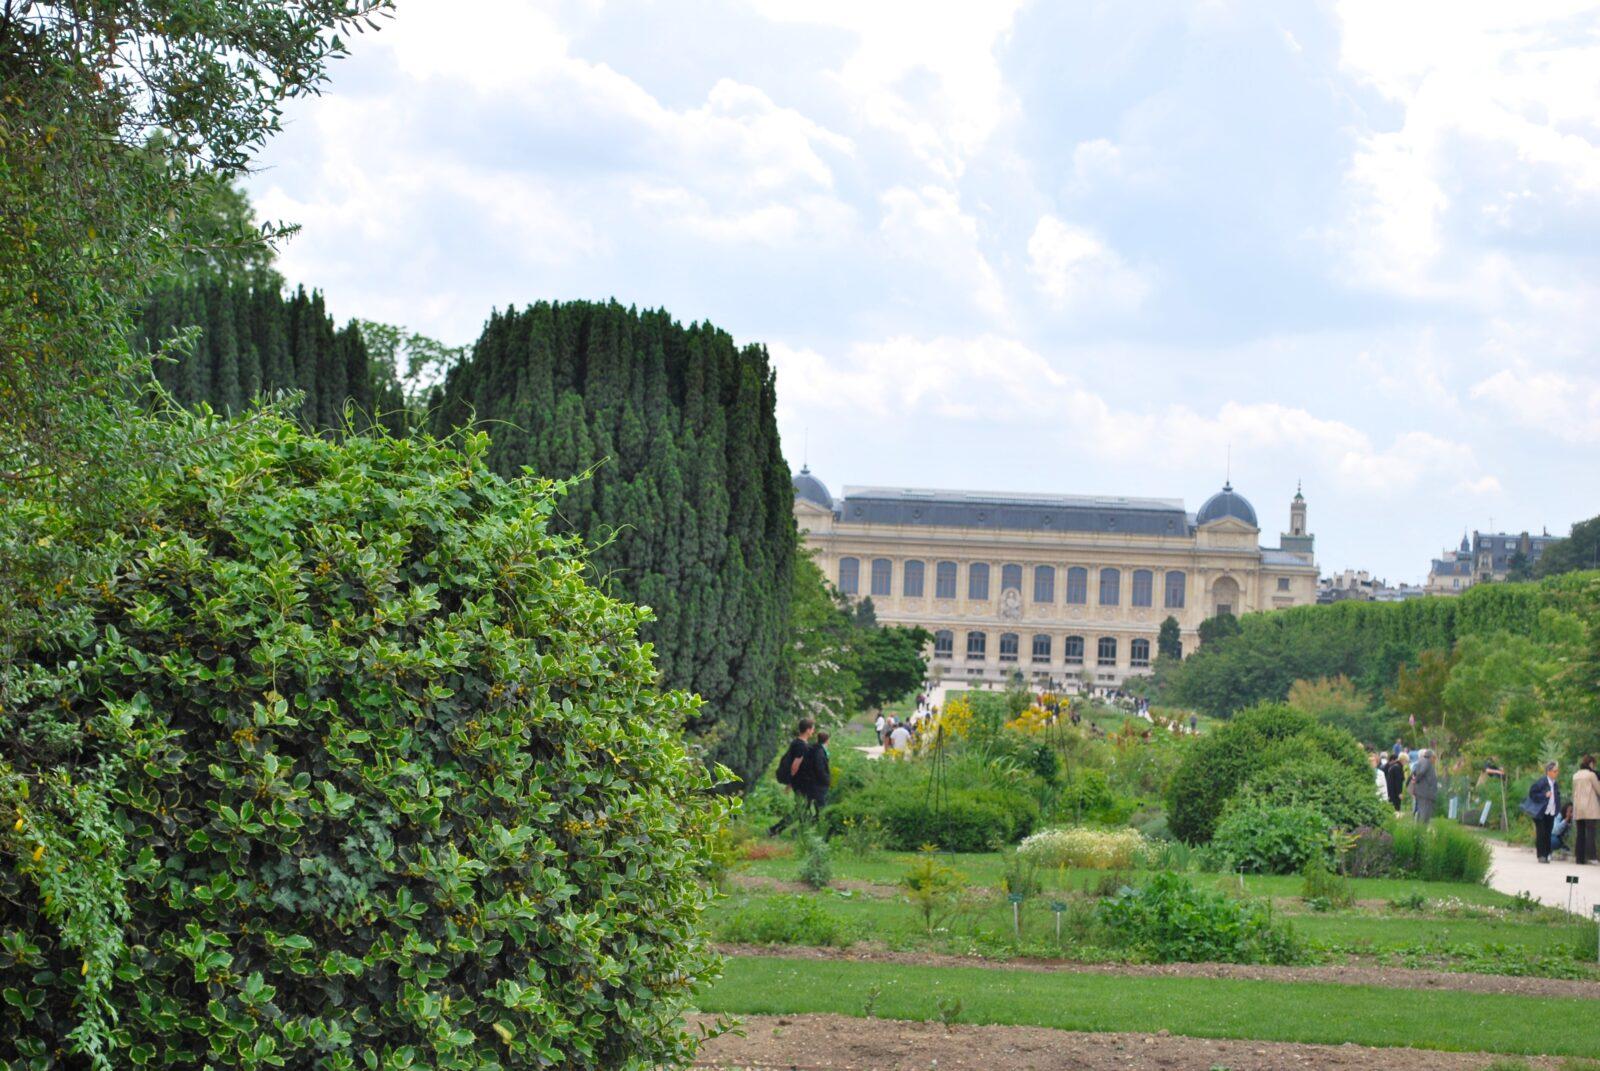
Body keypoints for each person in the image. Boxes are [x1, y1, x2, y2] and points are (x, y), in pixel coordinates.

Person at [767, 718, 816, 835]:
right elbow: (795, 765)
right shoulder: (802, 746)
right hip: (800, 782)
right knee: (801, 809)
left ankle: (796, 832)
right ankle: (776, 830)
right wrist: (790, 782)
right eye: (812, 729)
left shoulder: (796, 742)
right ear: (808, 730)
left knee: (803, 808)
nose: (813, 731)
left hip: (798, 782)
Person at [1524, 761, 1562, 864]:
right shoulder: (1541, 782)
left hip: (1551, 812)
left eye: (1557, 771)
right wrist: (1544, 795)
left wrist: (1557, 808)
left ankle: (1547, 854)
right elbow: (1532, 793)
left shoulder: (1555, 784)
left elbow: (1557, 796)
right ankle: (1541, 855)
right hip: (1540, 813)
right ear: (1548, 771)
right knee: (1541, 833)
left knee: (1548, 833)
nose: (1557, 773)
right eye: (1555, 771)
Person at [1572, 755, 1599, 865]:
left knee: (1580, 833)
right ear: (1591, 763)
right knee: (1590, 833)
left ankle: (1579, 858)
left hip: (1578, 808)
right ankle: (1592, 857)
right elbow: (1598, 790)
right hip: (1590, 807)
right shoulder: (1591, 775)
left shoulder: (1575, 775)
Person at [805, 730, 832, 817]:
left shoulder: (814, 749)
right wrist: (827, 780)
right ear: (827, 740)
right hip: (818, 784)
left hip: (811, 782)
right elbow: (820, 769)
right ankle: (819, 823)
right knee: (821, 807)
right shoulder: (819, 752)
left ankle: (813, 822)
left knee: (810, 807)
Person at [1409, 749, 1438, 824]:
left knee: (1423, 812)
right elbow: (1421, 772)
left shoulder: (1422, 761)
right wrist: (1417, 779)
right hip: (1425, 792)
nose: (1435, 760)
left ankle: (1420, 829)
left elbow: (1415, 773)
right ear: (1430, 757)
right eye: (1434, 758)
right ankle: (1421, 830)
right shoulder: (1426, 762)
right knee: (1424, 813)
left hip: (1423, 792)